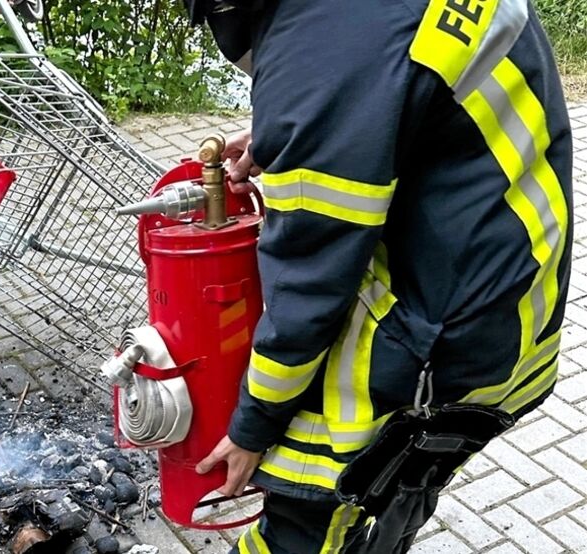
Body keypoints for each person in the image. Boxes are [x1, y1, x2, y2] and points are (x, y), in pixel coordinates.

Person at [187, 0, 573, 552]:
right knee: (396, 488)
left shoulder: (325, 49)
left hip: (442, 343)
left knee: (309, 507)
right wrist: (317, 130)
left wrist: (251, 427)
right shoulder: (351, 28)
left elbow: (309, 287)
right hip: (506, 299)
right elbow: (391, 79)